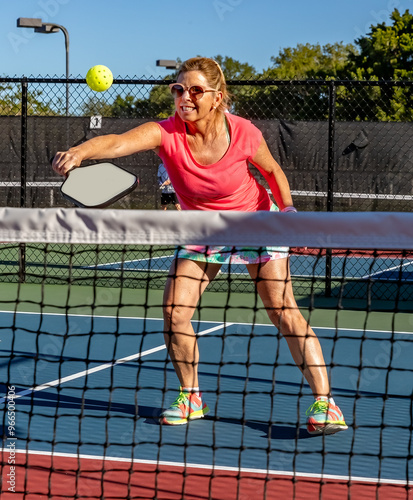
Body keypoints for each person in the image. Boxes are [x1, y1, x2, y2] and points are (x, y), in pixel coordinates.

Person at [52, 57, 347, 435]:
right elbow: (119, 142)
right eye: (178, 89)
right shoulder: (166, 133)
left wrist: (287, 212)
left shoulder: (243, 132)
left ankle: (327, 404)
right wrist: (81, 152)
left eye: (195, 90)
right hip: (203, 228)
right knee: (174, 311)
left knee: (282, 310)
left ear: (216, 97)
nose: (184, 97)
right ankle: (191, 396)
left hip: (255, 220)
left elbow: (272, 171)